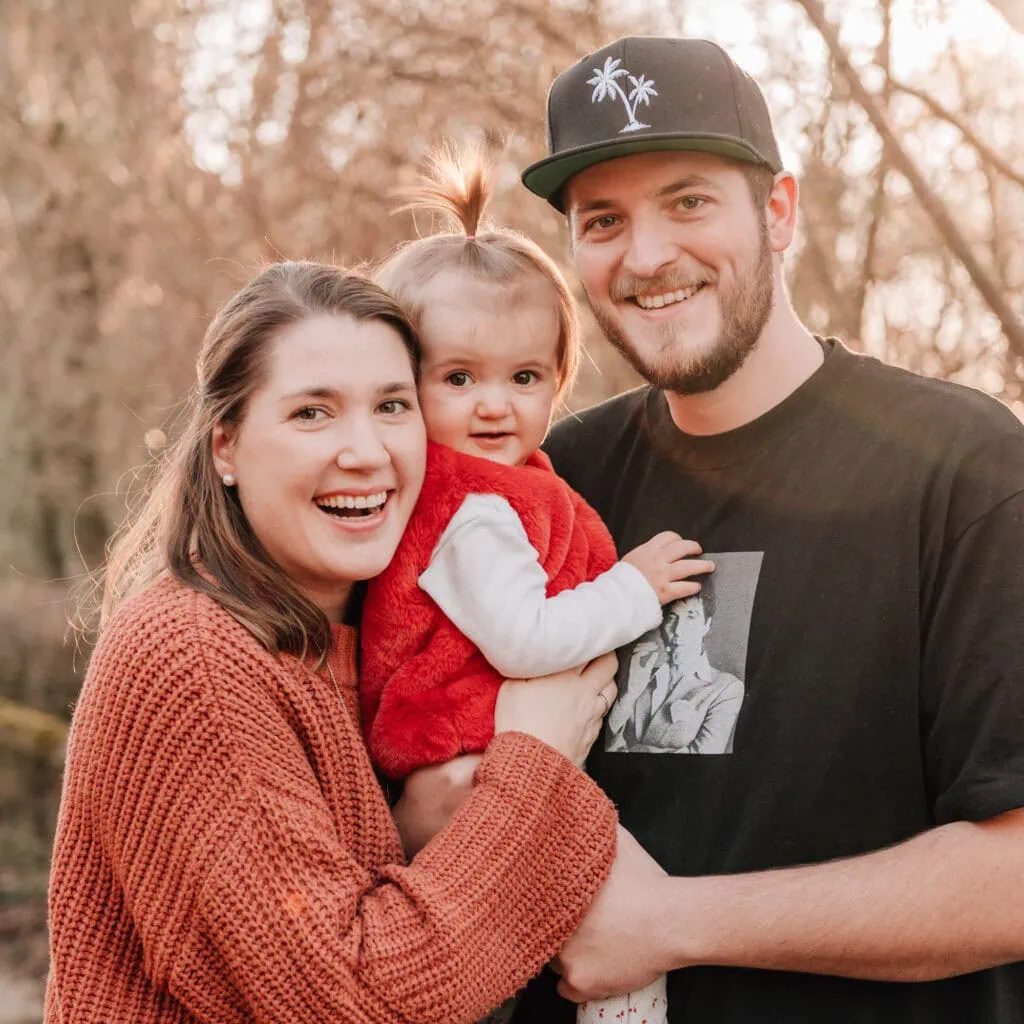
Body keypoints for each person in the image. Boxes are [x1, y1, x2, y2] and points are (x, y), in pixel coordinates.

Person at [508, 34, 1024, 1024]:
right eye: (602, 219)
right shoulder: (554, 484)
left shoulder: (963, 465)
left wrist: (676, 921)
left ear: (777, 212)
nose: (646, 255)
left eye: (688, 201)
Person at [45, 260, 658, 1024]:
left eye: (392, 405)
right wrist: (535, 758)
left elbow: (307, 912)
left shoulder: (369, 639)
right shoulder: (193, 656)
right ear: (225, 446)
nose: (366, 451)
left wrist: (416, 825)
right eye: (312, 413)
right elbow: (357, 1003)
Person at [362, 144, 709, 1024]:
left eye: (524, 379)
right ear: (404, 386)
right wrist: (633, 588)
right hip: (477, 766)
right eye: (458, 379)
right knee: (632, 925)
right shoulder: (470, 508)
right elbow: (524, 636)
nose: (493, 406)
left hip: (492, 760)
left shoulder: (505, 487)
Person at [608, 586, 743, 754]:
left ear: (706, 625)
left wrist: (636, 750)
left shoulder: (726, 688)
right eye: (672, 618)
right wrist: (630, 691)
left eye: (690, 617)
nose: (678, 631)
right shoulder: (640, 675)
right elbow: (610, 747)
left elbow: (704, 757)